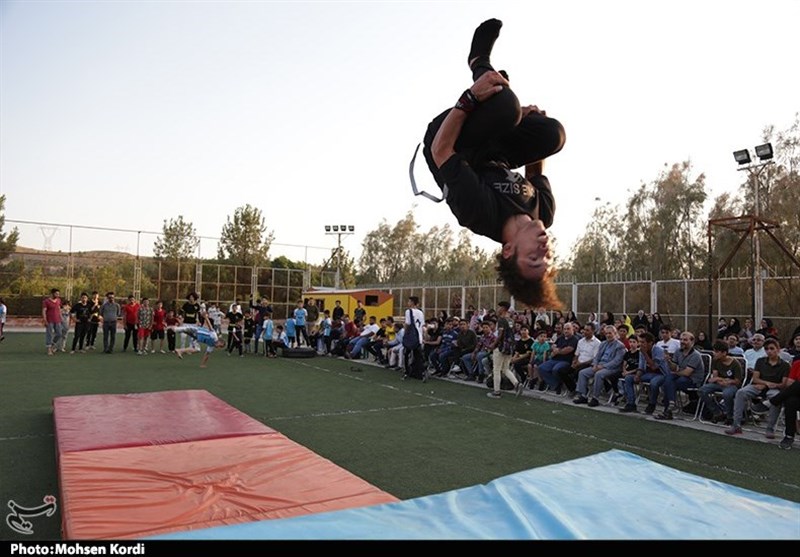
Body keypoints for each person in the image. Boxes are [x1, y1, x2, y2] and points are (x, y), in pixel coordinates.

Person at [422, 18, 566, 308]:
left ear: (509, 250)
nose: (544, 249)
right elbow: (534, 166)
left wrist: (470, 98)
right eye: (548, 258)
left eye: (534, 257)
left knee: (505, 108)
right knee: (553, 134)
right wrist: (532, 122)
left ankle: (479, 62)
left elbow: (441, 151)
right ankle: (502, 102)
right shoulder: (544, 213)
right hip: (495, 151)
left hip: (452, 142)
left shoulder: (479, 213)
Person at [726, 338, 790, 436]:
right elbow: (755, 378)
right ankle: (736, 425)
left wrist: (767, 385)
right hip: (759, 385)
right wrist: (766, 384)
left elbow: (783, 384)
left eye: (772, 348)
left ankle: (770, 428)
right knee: (740, 393)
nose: (769, 351)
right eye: (767, 349)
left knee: (776, 397)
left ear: (778, 349)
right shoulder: (760, 361)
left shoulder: (785, 365)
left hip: (774, 388)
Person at [649, 331, 705, 420]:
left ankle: (668, 409)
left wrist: (675, 373)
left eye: (685, 340)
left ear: (692, 341)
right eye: (681, 339)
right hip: (681, 376)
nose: (682, 341)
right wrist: (669, 361)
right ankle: (671, 404)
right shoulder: (678, 351)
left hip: (693, 380)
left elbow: (687, 373)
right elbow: (674, 368)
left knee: (671, 383)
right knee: (668, 379)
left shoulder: (696, 355)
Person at [574, 325, 626, 407]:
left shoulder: (620, 346)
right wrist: (595, 365)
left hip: (612, 368)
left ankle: (595, 398)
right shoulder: (603, 344)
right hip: (599, 365)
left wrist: (603, 366)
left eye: (610, 333)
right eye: (606, 333)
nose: (608, 335)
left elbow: (617, 361)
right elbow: (597, 357)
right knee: (582, 373)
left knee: (599, 374)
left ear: (615, 333)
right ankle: (583, 396)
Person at [619, 332, 670, 414]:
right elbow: (641, 366)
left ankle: (652, 404)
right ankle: (631, 403)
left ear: (650, 343)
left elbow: (654, 366)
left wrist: (645, 353)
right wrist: (637, 375)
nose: (641, 344)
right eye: (640, 342)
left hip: (661, 374)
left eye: (643, 342)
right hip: (647, 374)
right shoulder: (642, 351)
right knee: (628, 378)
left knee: (654, 383)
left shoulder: (658, 351)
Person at [698, 341, 743, 425]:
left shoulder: (735, 364)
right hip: (719, 383)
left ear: (724, 353)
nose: (714, 353)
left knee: (727, 394)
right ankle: (717, 411)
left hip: (731, 385)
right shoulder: (715, 361)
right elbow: (715, 376)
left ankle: (729, 415)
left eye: (716, 351)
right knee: (702, 390)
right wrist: (720, 380)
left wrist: (727, 381)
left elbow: (737, 380)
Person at [486, 301, 524, 398]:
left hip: (501, 347)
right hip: (509, 347)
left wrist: (494, 344)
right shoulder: (511, 320)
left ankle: (496, 391)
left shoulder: (501, 320)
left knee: (496, 369)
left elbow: (500, 334)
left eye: (499, 307)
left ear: (503, 308)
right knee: (505, 368)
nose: (497, 309)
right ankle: (516, 384)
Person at [538, 322, 578, 393]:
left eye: (568, 329)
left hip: (565, 361)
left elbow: (569, 349)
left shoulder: (574, 339)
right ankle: (556, 385)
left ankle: (558, 385)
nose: (566, 331)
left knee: (556, 369)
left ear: (572, 329)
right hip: (555, 359)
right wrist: (555, 349)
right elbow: (553, 346)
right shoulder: (560, 338)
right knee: (541, 368)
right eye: (565, 329)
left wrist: (558, 351)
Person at [42, 288, 63, 356]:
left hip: (57, 320)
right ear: (52, 294)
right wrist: (45, 320)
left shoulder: (59, 300)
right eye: (56, 294)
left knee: (59, 334)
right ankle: (49, 349)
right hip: (49, 320)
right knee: (49, 334)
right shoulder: (46, 301)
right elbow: (44, 311)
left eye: (58, 294)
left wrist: (61, 318)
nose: (58, 295)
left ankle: (52, 344)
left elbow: (59, 309)